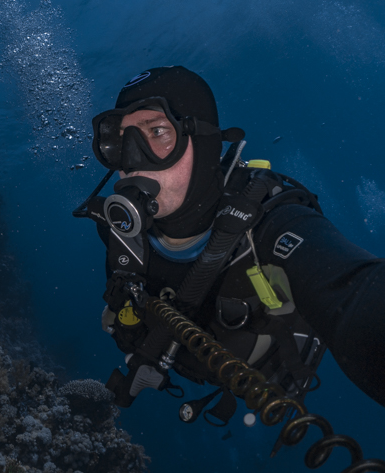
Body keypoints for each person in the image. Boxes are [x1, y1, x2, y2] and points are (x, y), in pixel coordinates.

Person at [80, 66, 385, 424]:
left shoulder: (273, 224)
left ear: (206, 142)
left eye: (157, 132)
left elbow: (355, 295)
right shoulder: (117, 230)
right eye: (118, 140)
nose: (131, 160)